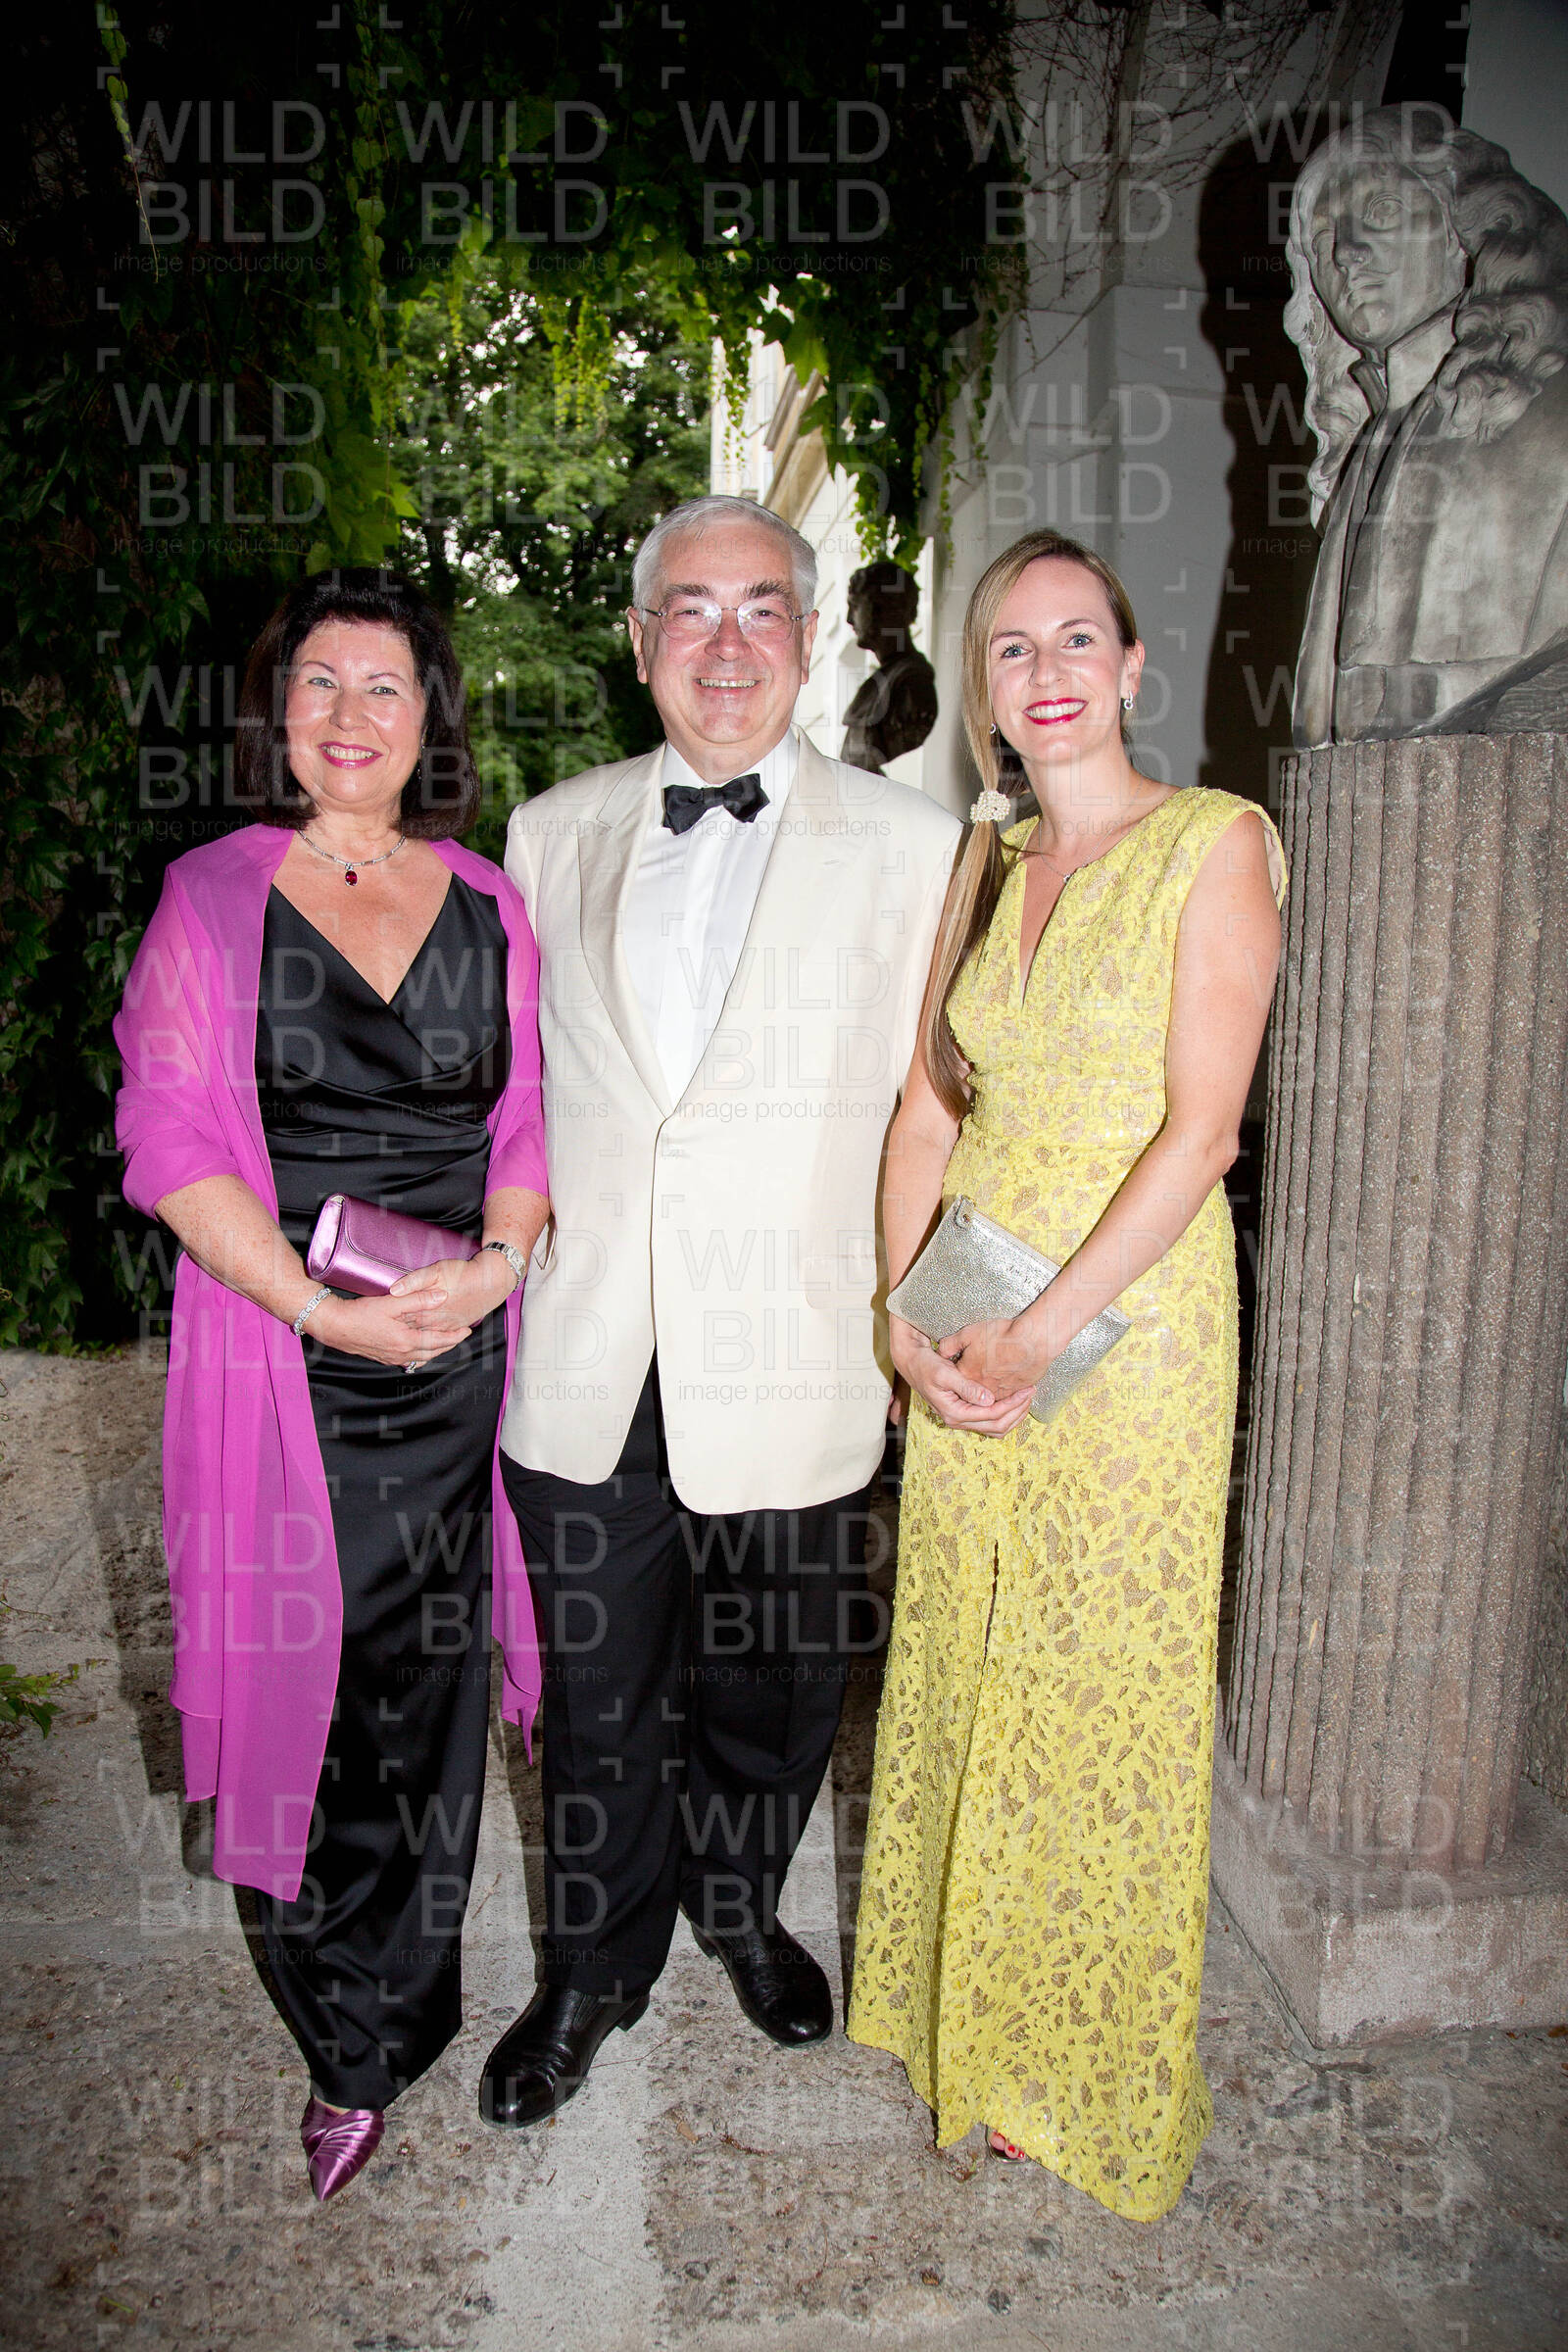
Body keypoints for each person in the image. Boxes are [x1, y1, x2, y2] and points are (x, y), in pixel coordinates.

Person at [479, 494, 961, 2129]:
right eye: (692, 609)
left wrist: (926, 1321)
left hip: (803, 1348)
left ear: (809, 640)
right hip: (595, 1349)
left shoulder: (917, 849)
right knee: (599, 1699)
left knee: (778, 1684)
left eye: (763, 609)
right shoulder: (549, 834)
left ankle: (739, 1906)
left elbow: (943, 1112)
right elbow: (513, 1094)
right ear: (641, 643)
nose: (728, 642)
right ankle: (590, 1972)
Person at [846, 528, 1286, 2220]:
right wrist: (905, 1317)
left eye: (1077, 639)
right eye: (1013, 649)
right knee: (972, 1655)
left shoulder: (1214, 844)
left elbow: (1205, 1134)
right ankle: (966, 2025)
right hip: (969, 1304)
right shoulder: (983, 860)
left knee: (1099, 1686)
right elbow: (929, 1110)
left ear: (1131, 665)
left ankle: (1076, 2067)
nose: (1048, 674)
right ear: (985, 687)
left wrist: (1040, 1337)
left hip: (1136, 1328)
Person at [114, 569, 549, 2201]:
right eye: (321, 683)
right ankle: (338, 2034)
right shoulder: (210, 898)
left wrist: (496, 1269)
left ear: (431, 717)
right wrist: (314, 1307)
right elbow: (167, 1133)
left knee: (426, 1705)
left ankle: (408, 2004)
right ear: (276, 712)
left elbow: (532, 1116)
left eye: (386, 686)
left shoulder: (491, 901)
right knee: (305, 1694)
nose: (352, 715)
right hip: (287, 1357)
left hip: (452, 1357)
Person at [1286, 104, 1568, 743]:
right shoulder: (1369, 446)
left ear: (1463, 229)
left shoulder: (1547, 409)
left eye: (1382, 210)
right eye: (1323, 240)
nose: (1347, 254)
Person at [840, 560, 939, 774]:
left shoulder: (911, 683)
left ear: (883, 607)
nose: (849, 619)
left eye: (855, 606)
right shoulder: (880, 682)